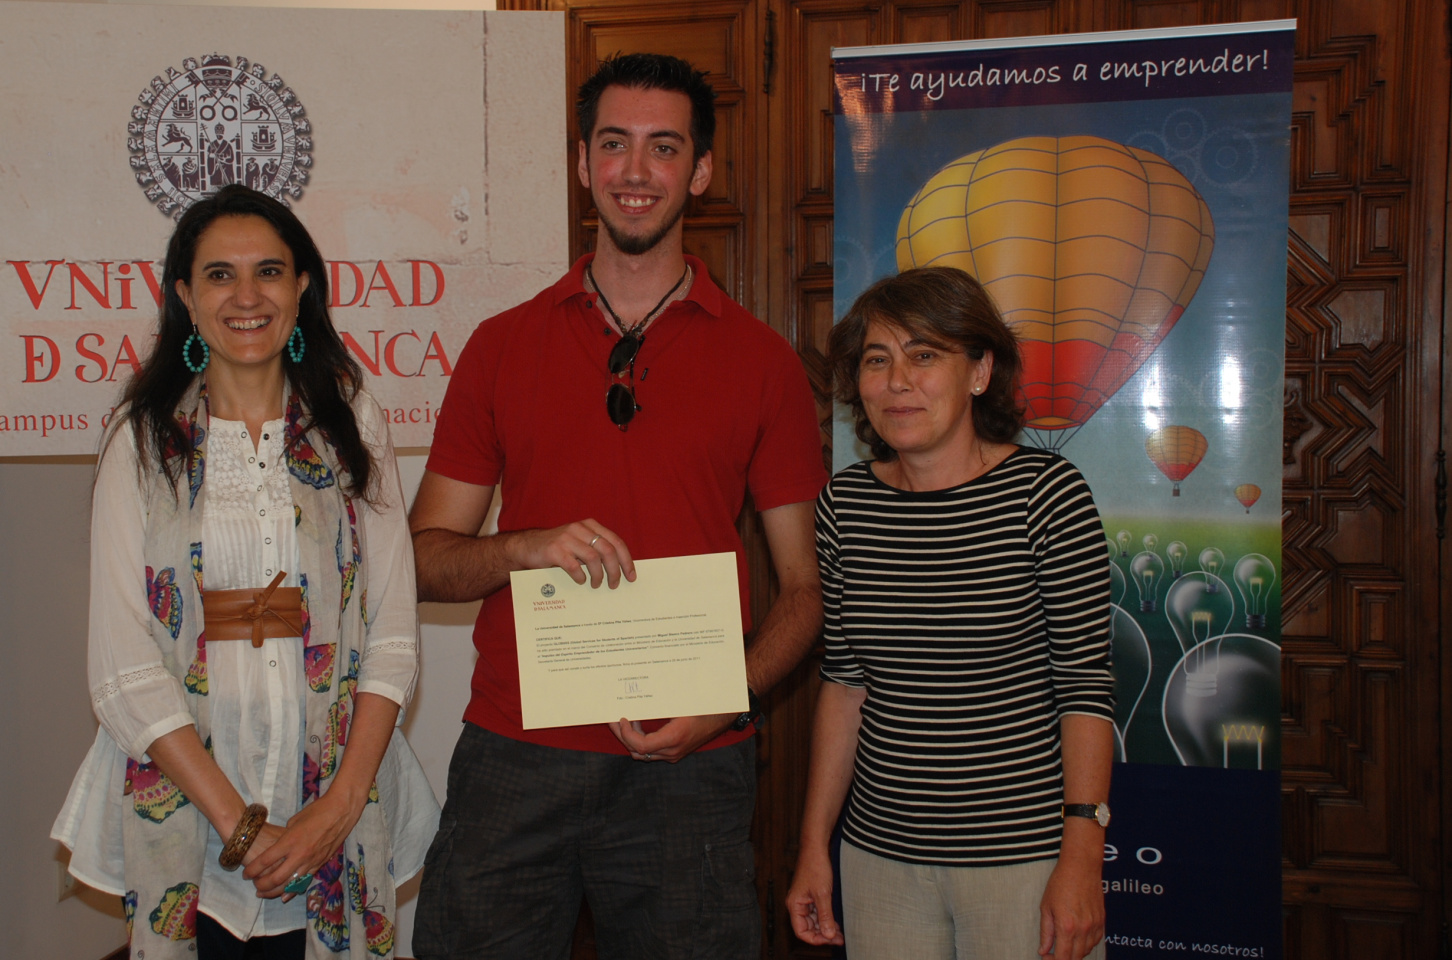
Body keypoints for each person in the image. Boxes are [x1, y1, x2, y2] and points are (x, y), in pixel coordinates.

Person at [408, 52, 828, 960]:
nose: (636, 172)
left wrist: (726, 700)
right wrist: (521, 548)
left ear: (700, 172)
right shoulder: (500, 346)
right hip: (515, 756)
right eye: (614, 145)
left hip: (691, 773)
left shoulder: (763, 364)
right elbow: (424, 557)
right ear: (582, 163)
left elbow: (804, 591)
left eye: (663, 148)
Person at [53, 184, 438, 960]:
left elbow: (392, 631)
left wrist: (337, 806)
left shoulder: (354, 422)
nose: (247, 295)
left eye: (269, 270)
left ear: (302, 287)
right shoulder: (140, 439)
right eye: (220, 275)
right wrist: (243, 826)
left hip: (337, 803)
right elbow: (122, 666)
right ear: (185, 296)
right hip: (195, 820)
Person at [785, 266, 1113, 960]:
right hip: (881, 862)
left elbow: (1085, 690)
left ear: (980, 371)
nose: (897, 381)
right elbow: (845, 685)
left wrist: (1082, 857)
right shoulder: (845, 507)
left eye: (924, 355)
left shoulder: (1046, 495)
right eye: (878, 360)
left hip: (1025, 863)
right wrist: (816, 847)